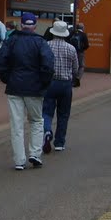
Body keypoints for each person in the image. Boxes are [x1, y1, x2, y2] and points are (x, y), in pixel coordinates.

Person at [0, 12, 54, 171]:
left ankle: (19, 160)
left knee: (17, 124)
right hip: (35, 88)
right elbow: (48, 65)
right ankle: (35, 153)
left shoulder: (11, 40)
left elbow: (0, 61)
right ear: (35, 26)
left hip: (15, 86)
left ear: (21, 25)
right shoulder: (40, 42)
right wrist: (43, 82)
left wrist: (8, 78)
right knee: (36, 121)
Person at [42, 20, 77, 153]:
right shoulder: (71, 48)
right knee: (63, 114)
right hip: (65, 84)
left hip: (49, 82)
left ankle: (47, 130)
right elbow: (75, 68)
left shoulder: (46, 45)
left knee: (46, 111)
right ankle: (59, 142)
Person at [68, 22, 90, 87]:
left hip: (71, 51)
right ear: (82, 28)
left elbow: (68, 40)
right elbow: (87, 45)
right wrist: (82, 49)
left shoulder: (72, 33)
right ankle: (78, 77)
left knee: (72, 65)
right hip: (80, 52)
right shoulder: (83, 34)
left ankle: (72, 79)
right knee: (81, 66)